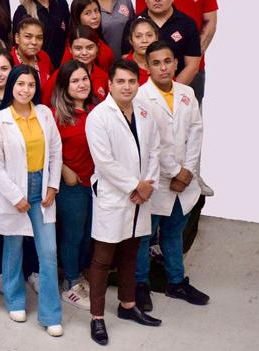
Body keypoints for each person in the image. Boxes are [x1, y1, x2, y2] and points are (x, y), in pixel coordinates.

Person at [135, 0, 217, 251]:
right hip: (153, 82)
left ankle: (189, 176)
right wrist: (157, 91)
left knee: (188, 129)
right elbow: (138, 39)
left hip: (189, 72)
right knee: (153, 134)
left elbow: (210, 21)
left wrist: (173, 87)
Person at [85, 59, 162, 346]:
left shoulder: (144, 111)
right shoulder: (98, 117)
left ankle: (128, 305)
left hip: (141, 195)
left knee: (131, 252)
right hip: (114, 195)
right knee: (103, 258)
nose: (127, 87)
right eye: (120, 81)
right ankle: (97, 317)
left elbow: (154, 150)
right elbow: (104, 162)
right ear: (109, 84)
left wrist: (148, 185)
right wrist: (135, 185)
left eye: (132, 81)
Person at [0, 64, 63, 336]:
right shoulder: (0, 120)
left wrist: (53, 185)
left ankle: (50, 314)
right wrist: (16, 196)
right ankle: (15, 299)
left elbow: (56, 151)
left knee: (49, 253)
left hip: (42, 189)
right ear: (12, 86)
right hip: (14, 191)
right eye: (20, 84)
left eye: (31, 85)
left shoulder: (44, 114)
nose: (26, 89)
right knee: (14, 247)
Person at [134, 41, 208, 311]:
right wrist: (176, 172)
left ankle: (176, 282)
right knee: (145, 236)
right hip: (156, 179)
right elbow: (153, 143)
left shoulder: (187, 92)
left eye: (168, 61)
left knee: (174, 232)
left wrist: (187, 171)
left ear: (176, 63)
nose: (163, 67)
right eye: (156, 63)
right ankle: (140, 284)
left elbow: (196, 132)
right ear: (147, 67)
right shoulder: (140, 98)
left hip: (184, 178)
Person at [50, 60, 98, 310]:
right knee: (73, 235)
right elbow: (47, 150)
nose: (82, 84)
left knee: (89, 235)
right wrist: (63, 169)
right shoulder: (56, 116)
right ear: (65, 86)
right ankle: (70, 282)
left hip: (96, 185)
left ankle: (79, 275)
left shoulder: (97, 110)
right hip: (72, 185)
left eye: (84, 79)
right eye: (75, 81)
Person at [140, 0, 201, 89]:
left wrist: (171, 91)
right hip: (142, 92)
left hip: (179, 88)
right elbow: (128, 63)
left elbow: (192, 66)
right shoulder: (134, 23)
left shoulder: (188, 24)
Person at [13, 0, 70, 66]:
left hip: (64, 67)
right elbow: (18, 49)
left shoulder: (61, 2)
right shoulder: (22, 12)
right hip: (39, 68)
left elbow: (68, 36)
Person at [42, 25, 109, 107]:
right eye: (78, 48)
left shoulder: (103, 76)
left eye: (89, 48)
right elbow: (45, 106)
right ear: (70, 49)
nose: (84, 53)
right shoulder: (59, 75)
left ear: (97, 48)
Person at [61, 0, 114, 71]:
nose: (95, 16)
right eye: (88, 13)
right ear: (77, 17)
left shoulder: (99, 38)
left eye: (96, 11)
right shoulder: (74, 45)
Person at [11, 17, 54, 89]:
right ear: (17, 38)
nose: (34, 42)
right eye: (28, 36)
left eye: (39, 38)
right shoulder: (8, 61)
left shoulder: (44, 57)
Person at [123, 17, 160, 84]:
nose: (144, 40)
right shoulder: (122, 68)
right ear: (131, 40)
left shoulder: (164, 65)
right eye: (138, 36)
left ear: (157, 38)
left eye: (149, 35)